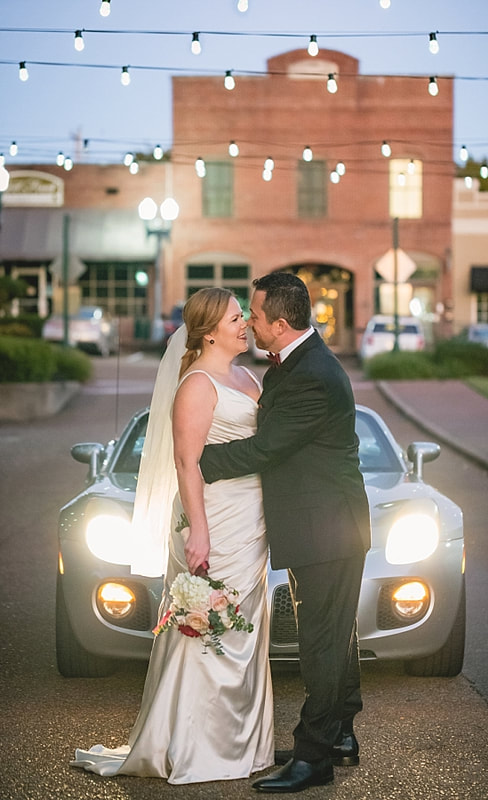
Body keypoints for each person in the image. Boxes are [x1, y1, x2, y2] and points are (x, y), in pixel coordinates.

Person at [72, 287, 274, 783]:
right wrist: (199, 533)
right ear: (208, 332)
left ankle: (243, 744)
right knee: (207, 628)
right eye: (234, 318)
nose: (244, 323)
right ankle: (194, 743)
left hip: (252, 519)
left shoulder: (247, 376)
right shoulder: (196, 385)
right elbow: (187, 464)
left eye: (243, 315)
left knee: (245, 625)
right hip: (215, 518)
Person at [197, 272, 371, 794]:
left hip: (327, 529)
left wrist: (192, 461)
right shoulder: (297, 364)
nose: (248, 322)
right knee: (336, 637)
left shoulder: (311, 375)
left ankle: (313, 758)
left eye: (253, 315)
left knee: (321, 642)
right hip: (323, 525)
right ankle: (340, 734)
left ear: (279, 322)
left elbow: (264, 449)